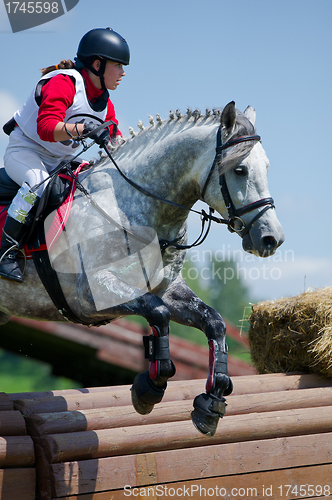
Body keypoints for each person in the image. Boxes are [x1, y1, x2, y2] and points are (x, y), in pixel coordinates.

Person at [0, 27, 130, 283]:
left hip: (61, 161)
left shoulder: (105, 103)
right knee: (37, 183)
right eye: (118, 66)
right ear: (97, 64)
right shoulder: (64, 82)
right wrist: (84, 129)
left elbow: (117, 141)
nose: (123, 73)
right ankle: (6, 252)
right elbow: (46, 128)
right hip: (26, 151)